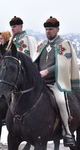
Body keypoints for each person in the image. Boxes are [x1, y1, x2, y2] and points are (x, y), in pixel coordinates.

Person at [33, 16, 80, 147]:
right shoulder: (42, 45)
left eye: (51, 29)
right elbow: (35, 62)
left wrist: (46, 71)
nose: (48, 31)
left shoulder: (64, 44)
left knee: (60, 101)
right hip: (40, 82)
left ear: (57, 29)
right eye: (46, 29)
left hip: (56, 82)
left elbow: (64, 64)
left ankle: (67, 132)